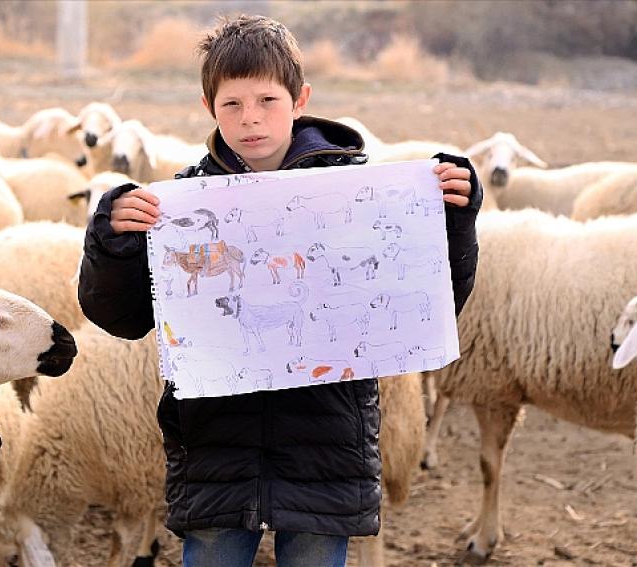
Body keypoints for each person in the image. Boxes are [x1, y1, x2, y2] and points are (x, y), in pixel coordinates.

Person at [79, 14, 481, 567]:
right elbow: (121, 317)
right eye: (232, 105)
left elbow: (433, 305)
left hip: (325, 448)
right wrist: (112, 242)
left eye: (267, 100)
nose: (250, 120)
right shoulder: (184, 209)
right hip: (217, 453)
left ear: (299, 99)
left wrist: (453, 223)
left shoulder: (359, 198)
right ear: (208, 109)